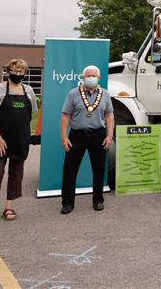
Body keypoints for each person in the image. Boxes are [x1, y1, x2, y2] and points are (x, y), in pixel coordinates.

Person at [0, 59, 38, 223]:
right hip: (0, 141)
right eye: (15, 70)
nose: (18, 74)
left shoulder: (28, 91)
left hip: (20, 140)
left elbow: (29, 115)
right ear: (8, 71)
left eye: (22, 71)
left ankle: (8, 206)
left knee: (16, 173)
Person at [60, 65, 114, 214]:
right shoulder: (73, 94)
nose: (91, 78)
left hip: (98, 134)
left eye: (94, 75)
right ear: (83, 78)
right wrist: (64, 137)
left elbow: (109, 115)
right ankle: (68, 203)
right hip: (77, 135)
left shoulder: (105, 94)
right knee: (70, 169)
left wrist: (109, 135)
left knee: (98, 169)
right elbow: (65, 116)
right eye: (88, 75)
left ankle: (98, 200)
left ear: (99, 78)